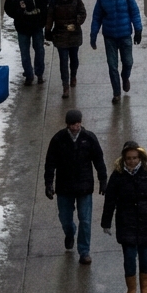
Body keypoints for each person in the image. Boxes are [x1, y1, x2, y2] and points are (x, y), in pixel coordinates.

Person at [102, 141, 147, 293]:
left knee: (145, 256)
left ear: (140, 157)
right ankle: (131, 290)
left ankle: (145, 288)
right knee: (129, 257)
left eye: (135, 158)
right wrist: (106, 222)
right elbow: (110, 199)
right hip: (126, 221)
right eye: (129, 158)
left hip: (146, 221)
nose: (132, 161)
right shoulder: (117, 175)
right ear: (124, 158)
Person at [44, 110, 107, 266]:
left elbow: (99, 160)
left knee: (85, 221)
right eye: (72, 124)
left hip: (84, 187)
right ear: (67, 124)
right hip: (64, 188)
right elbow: (50, 163)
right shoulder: (58, 140)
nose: (75, 127)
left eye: (77, 123)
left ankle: (84, 252)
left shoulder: (89, 138)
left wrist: (103, 180)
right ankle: (70, 232)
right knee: (65, 218)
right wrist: (49, 183)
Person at [90, 0, 143, 104]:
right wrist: (93, 35)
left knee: (128, 62)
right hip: (110, 37)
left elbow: (135, 13)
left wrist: (138, 30)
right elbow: (96, 18)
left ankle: (125, 77)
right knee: (112, 66)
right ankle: (116, 93)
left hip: (125, 35)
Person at [5, 0, 50, 85]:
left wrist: (42, 22)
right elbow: (8, 8)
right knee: (26, 53)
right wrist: (18, 13)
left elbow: (47, 7)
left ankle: (37, 74)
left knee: (38, 51)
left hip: (35, 27)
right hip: (23, 28)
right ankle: (30, 75)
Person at [47, 0, 87, 98]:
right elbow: (49, 17)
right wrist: (47, 31)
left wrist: (76, 22)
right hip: (60, 35)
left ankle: (73, 75)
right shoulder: (54, 1)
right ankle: (65, 85)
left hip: (74, 35)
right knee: (63, 62)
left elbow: (83, 13)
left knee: (74, 59)